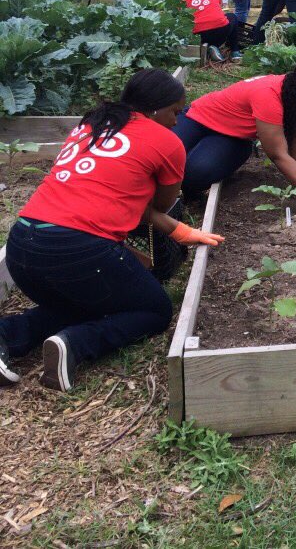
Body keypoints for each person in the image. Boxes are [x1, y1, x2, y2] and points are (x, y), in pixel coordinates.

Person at [0, 69, 223, 392]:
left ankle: (7, 333)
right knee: (154, 310)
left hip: (22, 247)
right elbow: (159, 204)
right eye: (176, 112)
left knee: (86, 300)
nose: (178, 121)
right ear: (156, 108)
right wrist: (175, 228)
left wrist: (179, 232)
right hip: (76, 252)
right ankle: (75, 344)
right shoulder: (165, 142)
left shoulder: (93, 125)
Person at [173, 56, 296, 216]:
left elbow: (294, 146)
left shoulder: (293, 96)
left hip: (232, 138)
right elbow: (278, 155)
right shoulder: (269, 94)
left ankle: (187, 195)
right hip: (198, 117)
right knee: (166, 153)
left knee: (193, 173)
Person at [179, 0, 242, 64]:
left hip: (198, 35)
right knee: (232, 17)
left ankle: (210, 46)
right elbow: (218, 7)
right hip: (220, 30)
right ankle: (234, 51)